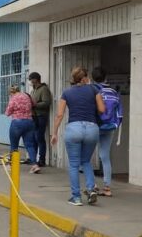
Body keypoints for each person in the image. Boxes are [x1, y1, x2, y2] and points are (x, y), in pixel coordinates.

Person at [51, 67, 105, 206]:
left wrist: (54, 133)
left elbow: (59, 115)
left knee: (74, 164)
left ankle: (76, 198)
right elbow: (102, 109)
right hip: (92, 128)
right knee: (86, 161)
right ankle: (91, 188)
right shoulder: (94, 89)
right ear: (85, 77)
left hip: (74, 129)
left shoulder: (67, 93)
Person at [92, 68, 122, 197]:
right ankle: (107, 187)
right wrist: (115, 125)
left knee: (87, 157)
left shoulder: (92, 90)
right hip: (109, 127)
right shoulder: (114, 92)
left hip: (95, 126)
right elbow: (120, 114)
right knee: (105, 157)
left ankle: (92, 185)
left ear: (93, 78)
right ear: (105, 77)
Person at [5, 86, 40, 174]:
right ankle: (35, 165)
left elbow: (8, 113)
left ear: (11, 93)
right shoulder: (27, 96)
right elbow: (34, 104)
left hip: (17, 123)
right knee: (30, 145)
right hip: (29, 122)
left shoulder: (13, 99)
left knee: (14, 145)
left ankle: (11, 165)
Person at [29, 72, 52, 167]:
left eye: (31, 79)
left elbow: (47, 102)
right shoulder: (33, 90)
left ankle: (42, 159)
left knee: (39, 137)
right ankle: (33, 159)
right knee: (34, 138)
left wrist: (35, 105)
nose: (30, 81)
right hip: (34, 116)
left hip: (41, 116)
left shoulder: (44, 89)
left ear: (35, 79)